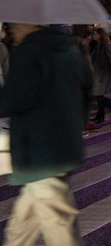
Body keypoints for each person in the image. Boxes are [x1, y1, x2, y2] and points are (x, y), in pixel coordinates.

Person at [0, 22, 91, 245]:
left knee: (59, 227)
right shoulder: (70, 50)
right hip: (60, 146)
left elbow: (14, 99)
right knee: (20, 229)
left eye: (14, 23)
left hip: (40, 152)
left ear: (30, 23)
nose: (10, 29)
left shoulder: (28, 52)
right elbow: (86, 90)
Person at [89, 28, 111, 123]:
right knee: (98, 95)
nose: (93, 36)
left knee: (98, 94)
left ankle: (105, 111)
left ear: (100, 35)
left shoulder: (106, 45)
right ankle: (101, 114)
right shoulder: (99, 45)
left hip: (104, 73)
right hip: (98, 73)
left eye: (95, 34)